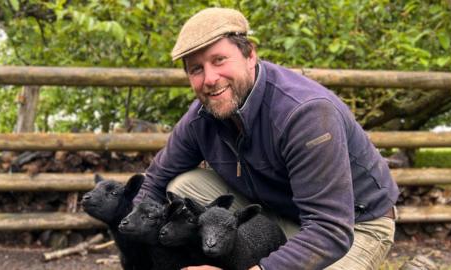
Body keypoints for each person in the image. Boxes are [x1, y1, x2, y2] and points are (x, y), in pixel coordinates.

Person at [135, 7, 399, 270]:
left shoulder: (305, 114)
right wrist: (136, 247)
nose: (210, 79)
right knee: (183, 185)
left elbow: (329, 229)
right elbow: (154, 183)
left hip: (353, 225)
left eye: (219, 60)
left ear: (250, 54)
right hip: (275, 210)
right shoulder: (201, 118)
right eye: (196, 69)